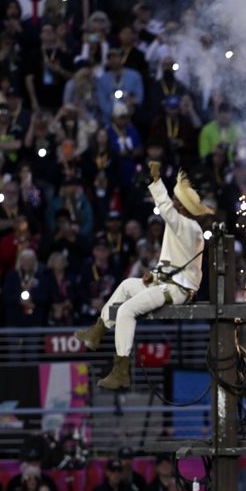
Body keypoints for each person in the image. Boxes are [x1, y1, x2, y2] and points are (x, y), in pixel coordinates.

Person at [73, 161, 213, 389]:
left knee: (127, 311)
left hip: (177, 291)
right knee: (128, 284)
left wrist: (157, 183)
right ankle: (98, 331)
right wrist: (155, 277)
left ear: (185, 208)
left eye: (179, 201)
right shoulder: (183, 226)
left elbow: (166, 210)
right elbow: (174, 263)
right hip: (168, 284)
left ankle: (121, 371)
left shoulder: (188, 227)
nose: (175, 203)